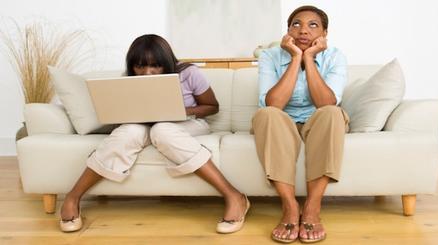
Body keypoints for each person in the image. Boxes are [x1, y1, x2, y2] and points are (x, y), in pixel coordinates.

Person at [59, 34, 250, 234]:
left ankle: (233, 196)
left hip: (186, 123)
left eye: (155, 66)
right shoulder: (128, 80)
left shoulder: (188, 72)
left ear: (166, 62)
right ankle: (73, 197)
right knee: (128, 133)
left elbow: (212, 106)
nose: (147, 72)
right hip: (143, 124)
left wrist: (180, 111)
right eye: (140, 66)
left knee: (162, 129)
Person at [252, 5, 349, 243]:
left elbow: (326, 102)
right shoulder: (269, 56)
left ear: (324, 34)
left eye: (312, 25)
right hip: (282, 120)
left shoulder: (335, 56)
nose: (303, 30)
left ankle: (313, 207)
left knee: (332, 112)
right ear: (287, 31)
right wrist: (296, 57)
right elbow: (273, 104)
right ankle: (290, 207)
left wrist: (310, 58)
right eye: (296, 24)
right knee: (266, 114)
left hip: (318, 120)